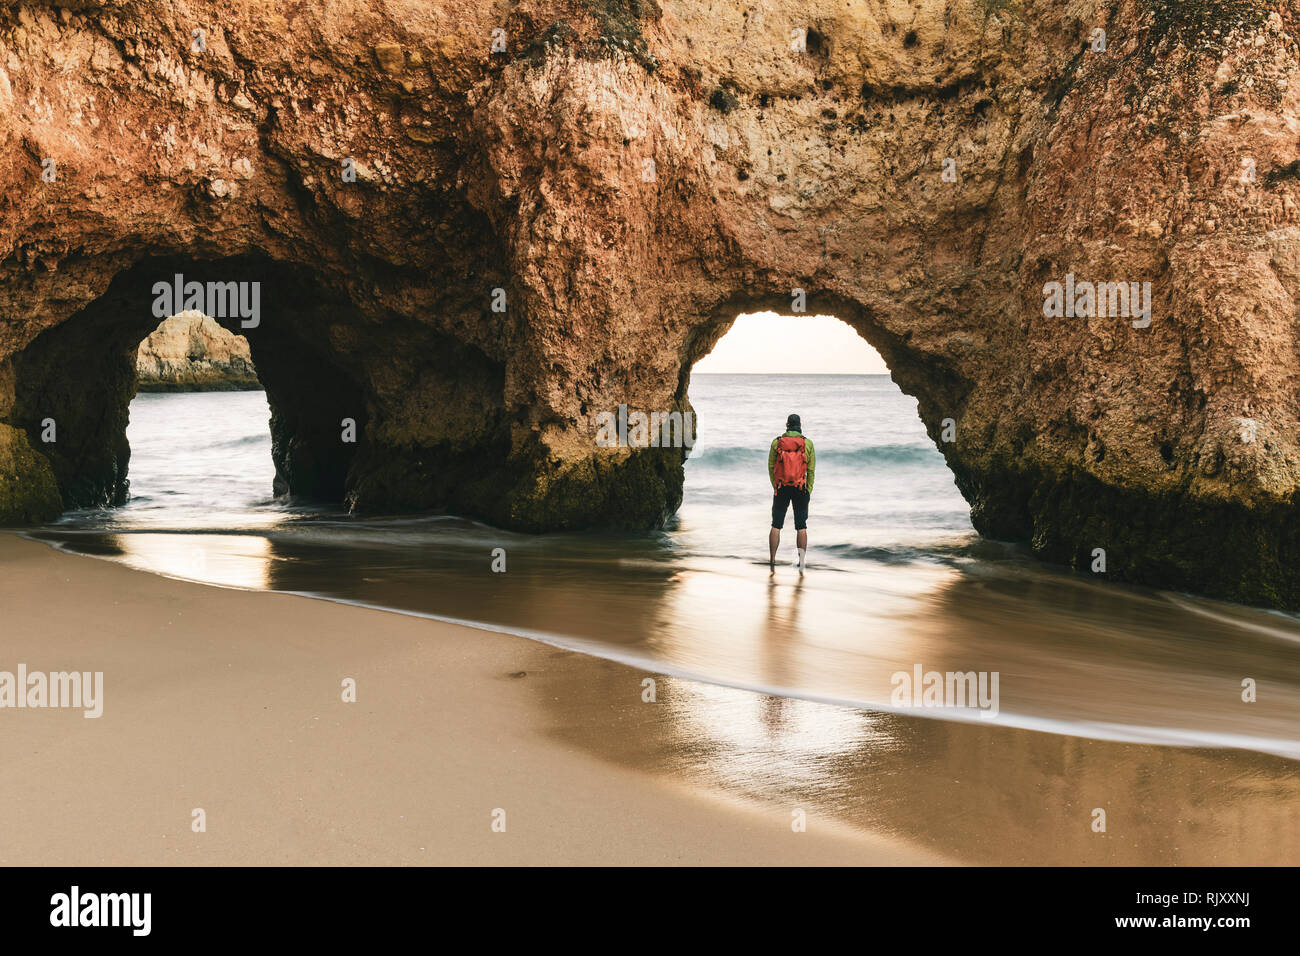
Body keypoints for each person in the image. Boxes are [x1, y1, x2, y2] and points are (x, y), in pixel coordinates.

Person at [768, 413, 815, 570]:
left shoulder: (777, 443)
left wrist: (776, 485)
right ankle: (801, 562)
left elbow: (771, 467)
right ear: (800, 426)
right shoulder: (807, 444)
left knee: (776, 525)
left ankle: (773, 560)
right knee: (801, 526)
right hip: (800, 488)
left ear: (786, 425)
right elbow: (811, 470)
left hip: (781, 487)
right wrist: (808, 490)